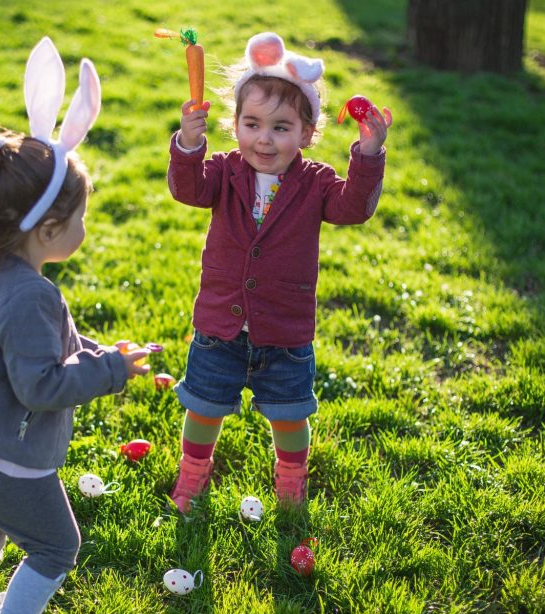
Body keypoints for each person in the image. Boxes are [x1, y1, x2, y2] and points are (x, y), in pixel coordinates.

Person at [0, 38, 148, 614]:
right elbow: (41, 385)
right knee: (58, 545)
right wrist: (110, 374)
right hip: (6, 456)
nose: (86, 227)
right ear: (49, 228)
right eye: (81, 216)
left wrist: (102, 354)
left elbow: (40, 355)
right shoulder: (32, 294)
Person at [166, 32, 391, 513]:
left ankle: (291, 482)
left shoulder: (316, 183)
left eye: (281, 127)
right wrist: (189, 143)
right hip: (219, 329)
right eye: (252, 124)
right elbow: (186, 189)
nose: (264, 139)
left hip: (284, 333)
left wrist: (368, 155)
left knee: (290, 417)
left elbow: (353, 208)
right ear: (235, 124)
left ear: (308, 133)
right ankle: (192, 478)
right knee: (202, 409)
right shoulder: (224, 171)